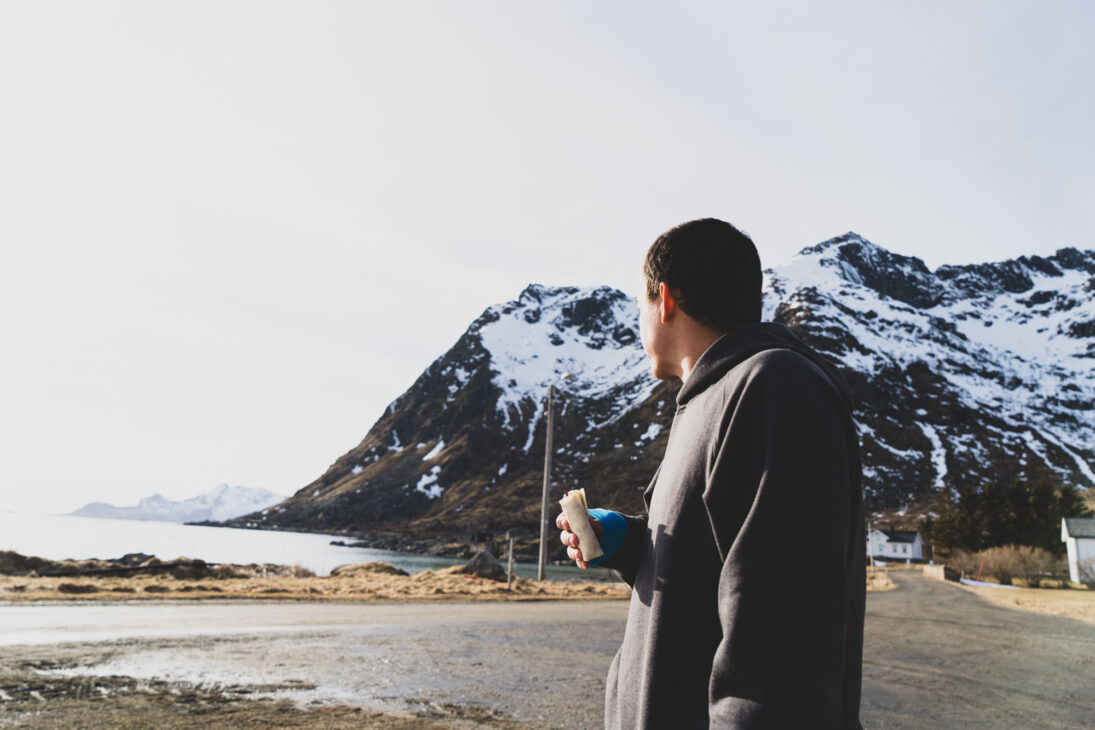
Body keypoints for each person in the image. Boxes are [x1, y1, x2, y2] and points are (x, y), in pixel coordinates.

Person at [557, 218, 865, 729]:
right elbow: (719, 562)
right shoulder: (711, 396)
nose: (638, 321)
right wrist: (633, 545)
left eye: (639, 305)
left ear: (665, 299)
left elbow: (781, 640)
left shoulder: (773, 387)